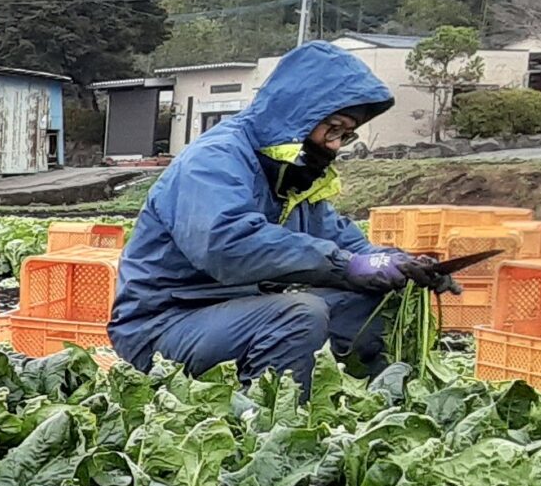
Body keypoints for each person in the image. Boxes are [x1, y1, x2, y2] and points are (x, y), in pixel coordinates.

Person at [112, 41, 433, 392]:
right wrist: (348, 265)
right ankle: (270, 419)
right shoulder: (214, 159)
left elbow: (343, 241)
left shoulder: (292, 174)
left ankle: (368, 406)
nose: (335, 145)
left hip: (241, 311)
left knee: (372, 303)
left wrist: (397, 264)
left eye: (345, 134)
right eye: (333, 128)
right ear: (300, 112)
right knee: (299, 316)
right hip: (163, 324)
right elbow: (229, 247)